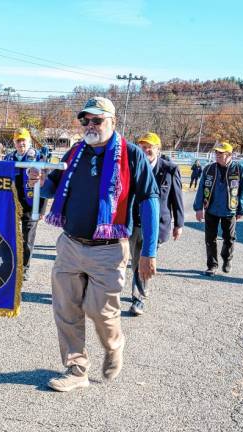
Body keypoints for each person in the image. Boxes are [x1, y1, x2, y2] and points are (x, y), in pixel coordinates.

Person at [30, 97, 159, 392]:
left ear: (113, 121)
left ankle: (114, 344)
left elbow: (150, 198)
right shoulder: (75, 152)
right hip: (70, 245)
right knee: (66, 309)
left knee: (101, 312)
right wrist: (37, 178)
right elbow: (51, 186)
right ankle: (76, 369)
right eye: (85, 120)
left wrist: (149, 251)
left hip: (109, 250)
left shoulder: (132, 155)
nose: (90, 126)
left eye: (97, 120)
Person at [128, 132, 184, 316]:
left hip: (155, 225)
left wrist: (179, 224)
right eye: (142, 147)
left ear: (158, 149)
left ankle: (139, 298)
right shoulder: (132, 165)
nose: (145, 150)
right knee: (128, 260)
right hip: (132, 221)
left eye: (149, 147)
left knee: (143, 260)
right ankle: (125, 292)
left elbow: (177, 198)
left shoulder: (169, 169)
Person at [193, 141, 243, 276]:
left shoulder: (239, 169)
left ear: (229, 155)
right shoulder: (209, 169)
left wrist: (242, 209)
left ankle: (227, 259)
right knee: (209, 239)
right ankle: (212, 265)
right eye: (216, 152)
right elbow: (201, 188)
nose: (217, 155)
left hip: (230, 210)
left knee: (229, 238)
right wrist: (198, 208)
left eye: (220, 153)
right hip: (211, 209)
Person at [4, 127, 45, 281]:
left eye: (24, 140)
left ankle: (24, 268)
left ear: (29, 141)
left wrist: (41, 209)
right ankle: (11, 265)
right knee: (10, 237)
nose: (21, 144)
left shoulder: (38, 158)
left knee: (27, 240)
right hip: (12, 205)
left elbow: (45, 185)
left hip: (31, 205)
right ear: (14, 142)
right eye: (18, 140)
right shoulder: (8, 158)